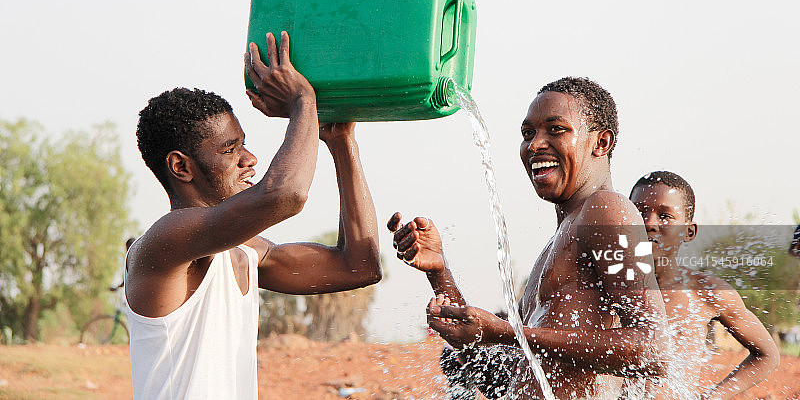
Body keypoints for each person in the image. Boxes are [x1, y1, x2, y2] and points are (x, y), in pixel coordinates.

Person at [125, 32, 382, 400]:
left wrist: (341, 142)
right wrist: (303, 101)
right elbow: (286, 194)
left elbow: (359, 267)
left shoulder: (247, 253)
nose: (250, 160)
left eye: (243, 144)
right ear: (181, 167)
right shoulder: (165, 242)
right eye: (231, 150)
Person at [390, 77, 668, 399]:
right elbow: (494, 375)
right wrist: (439, 272)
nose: (535, 145)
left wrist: (510, 332)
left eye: (556, 129)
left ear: (601, 143)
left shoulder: (607, 210)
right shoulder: (558, 242)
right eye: (528, 133)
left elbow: (654, 351)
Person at [629, 170, 779, 399]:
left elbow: (767, 355)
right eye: (639, 213)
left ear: (689, 232)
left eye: (665, 216)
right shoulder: (604, 287)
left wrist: (713, 397)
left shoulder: (705, 292)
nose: (649, 223)